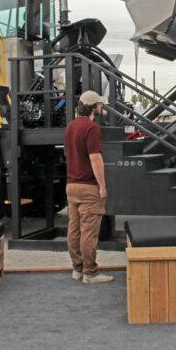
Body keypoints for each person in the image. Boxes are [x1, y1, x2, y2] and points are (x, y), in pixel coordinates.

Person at [64, 90, 114, 284]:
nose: (102, 107)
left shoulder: (70, 127)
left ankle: (77, 268)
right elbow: (95, 158)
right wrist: (102, 186)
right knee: (89, 232)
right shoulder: (91, 128)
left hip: (71, 185)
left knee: (74, 229)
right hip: (88, 187)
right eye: (100, 104)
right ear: (93, 107)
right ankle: (90, 272)